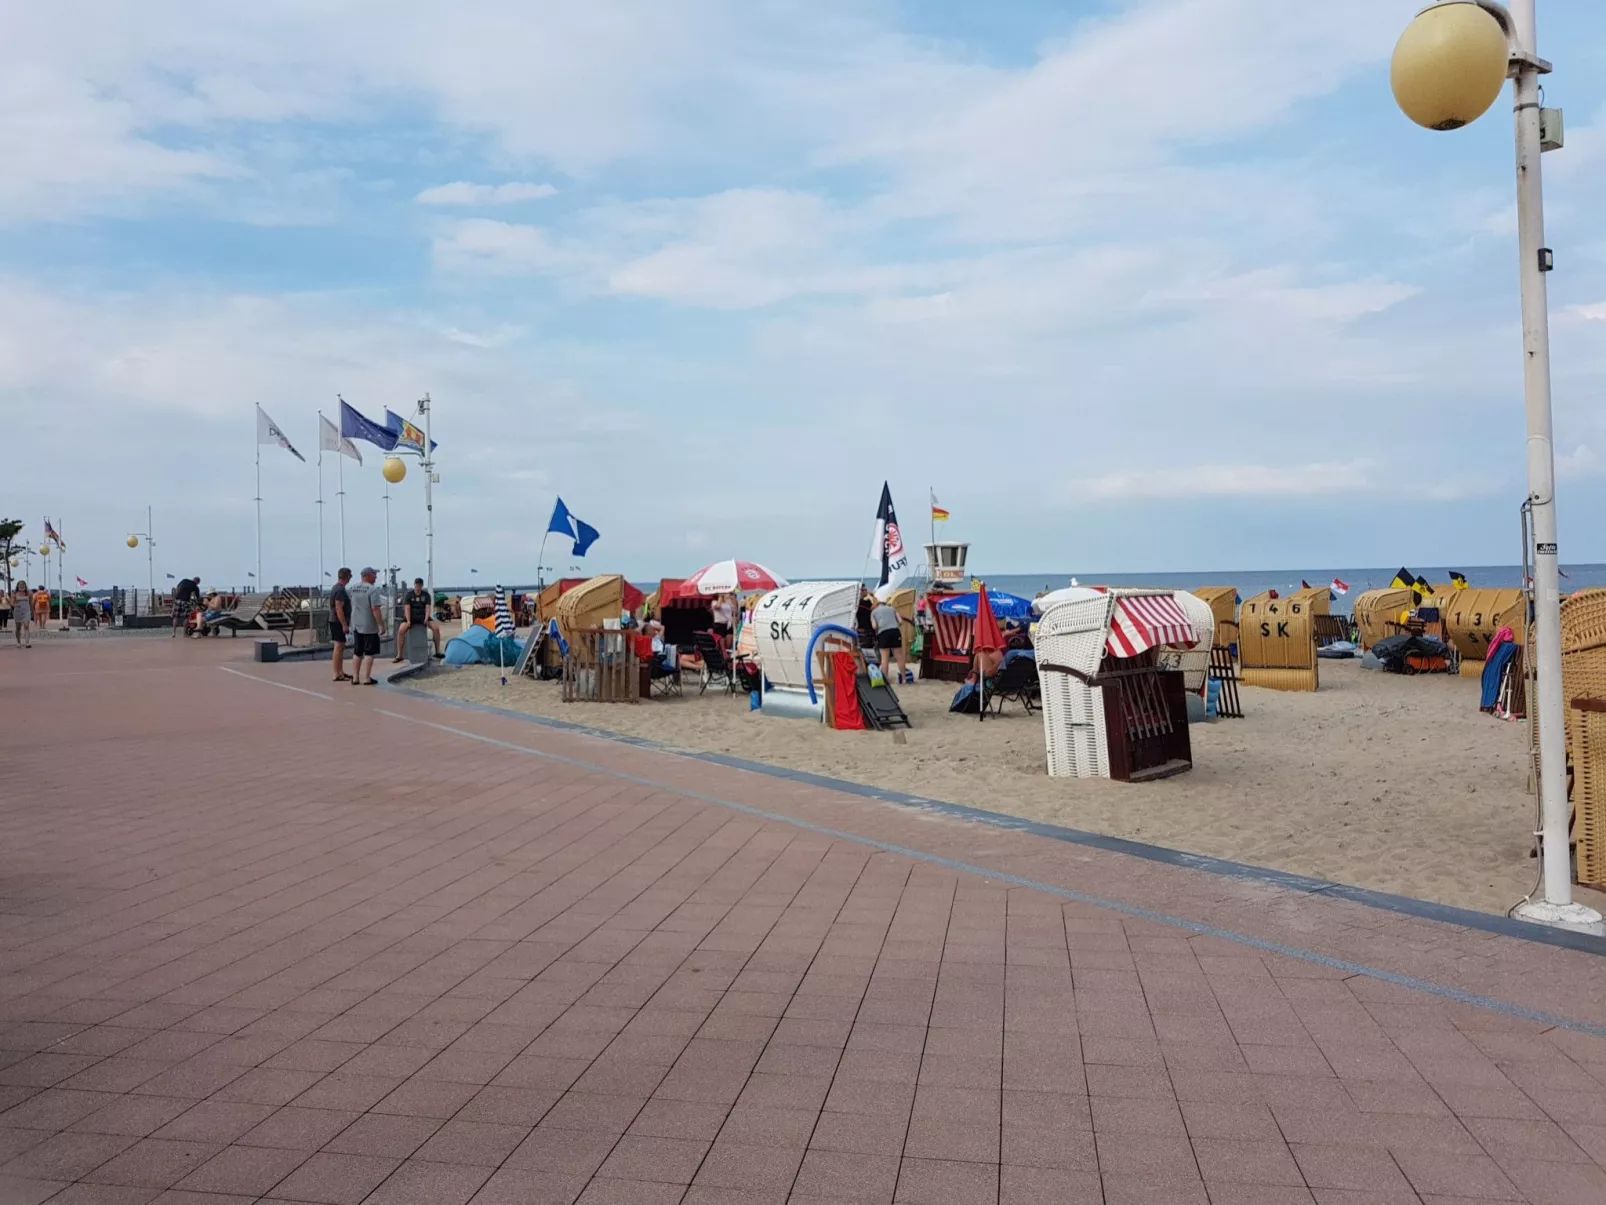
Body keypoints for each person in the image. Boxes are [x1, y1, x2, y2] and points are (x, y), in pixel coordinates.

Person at [346, 566, 386, 685]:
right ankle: (367, 678)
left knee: (357, 651)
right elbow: (375, 609)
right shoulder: (372, 590)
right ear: (368, 576)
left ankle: (355, 677)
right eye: (374, 574)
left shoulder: (352, 588)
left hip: (356, 624)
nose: (376, 577)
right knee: (369, 652)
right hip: (369, 626)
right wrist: (381, 624)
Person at [393, 577, 444, 662]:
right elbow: (407, 608)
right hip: (411, 616)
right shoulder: (409, 595)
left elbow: (428, 608)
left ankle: (437, 651)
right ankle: (400, 654)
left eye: (420, 585)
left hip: (422, 616)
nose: (418, 587)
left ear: (422, 586)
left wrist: (426, 618)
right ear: (414, 585)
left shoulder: (426, 595)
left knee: (436, 628)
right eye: (417, 585)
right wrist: (408, 620)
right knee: (401, 630)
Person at [871, 590, 908, 685]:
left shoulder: (874, 612)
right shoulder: (892, 609)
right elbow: (900, 621)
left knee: (884, 658)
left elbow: (874, 626)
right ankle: (904, 679)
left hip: (883, 633)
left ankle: (885, 680)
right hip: (895, 632)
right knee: (899, 656)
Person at [329, 568, 352, 682]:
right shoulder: (339, 590)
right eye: (350, 576)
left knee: (341, 647)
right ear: (346, 576)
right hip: (337, 621)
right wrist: (344, 624)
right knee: (338, 647)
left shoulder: (338, 588)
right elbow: (339, 608)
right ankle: (336, 673)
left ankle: (340, 671)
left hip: (337, 621)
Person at [12, 581, 32, 647]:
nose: (21, 585)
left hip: (26, 611)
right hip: (18, 611)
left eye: (23, 584)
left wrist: (32, 611)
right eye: (20, 584)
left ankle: (27, 642)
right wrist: (16, 605)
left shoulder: (29, 593)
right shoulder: (14, 593)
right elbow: (12, 603)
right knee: (18, 627)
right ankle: (18, 642)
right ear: (18, 585)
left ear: (25, 585)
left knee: (26, 626)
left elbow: (31, 603)